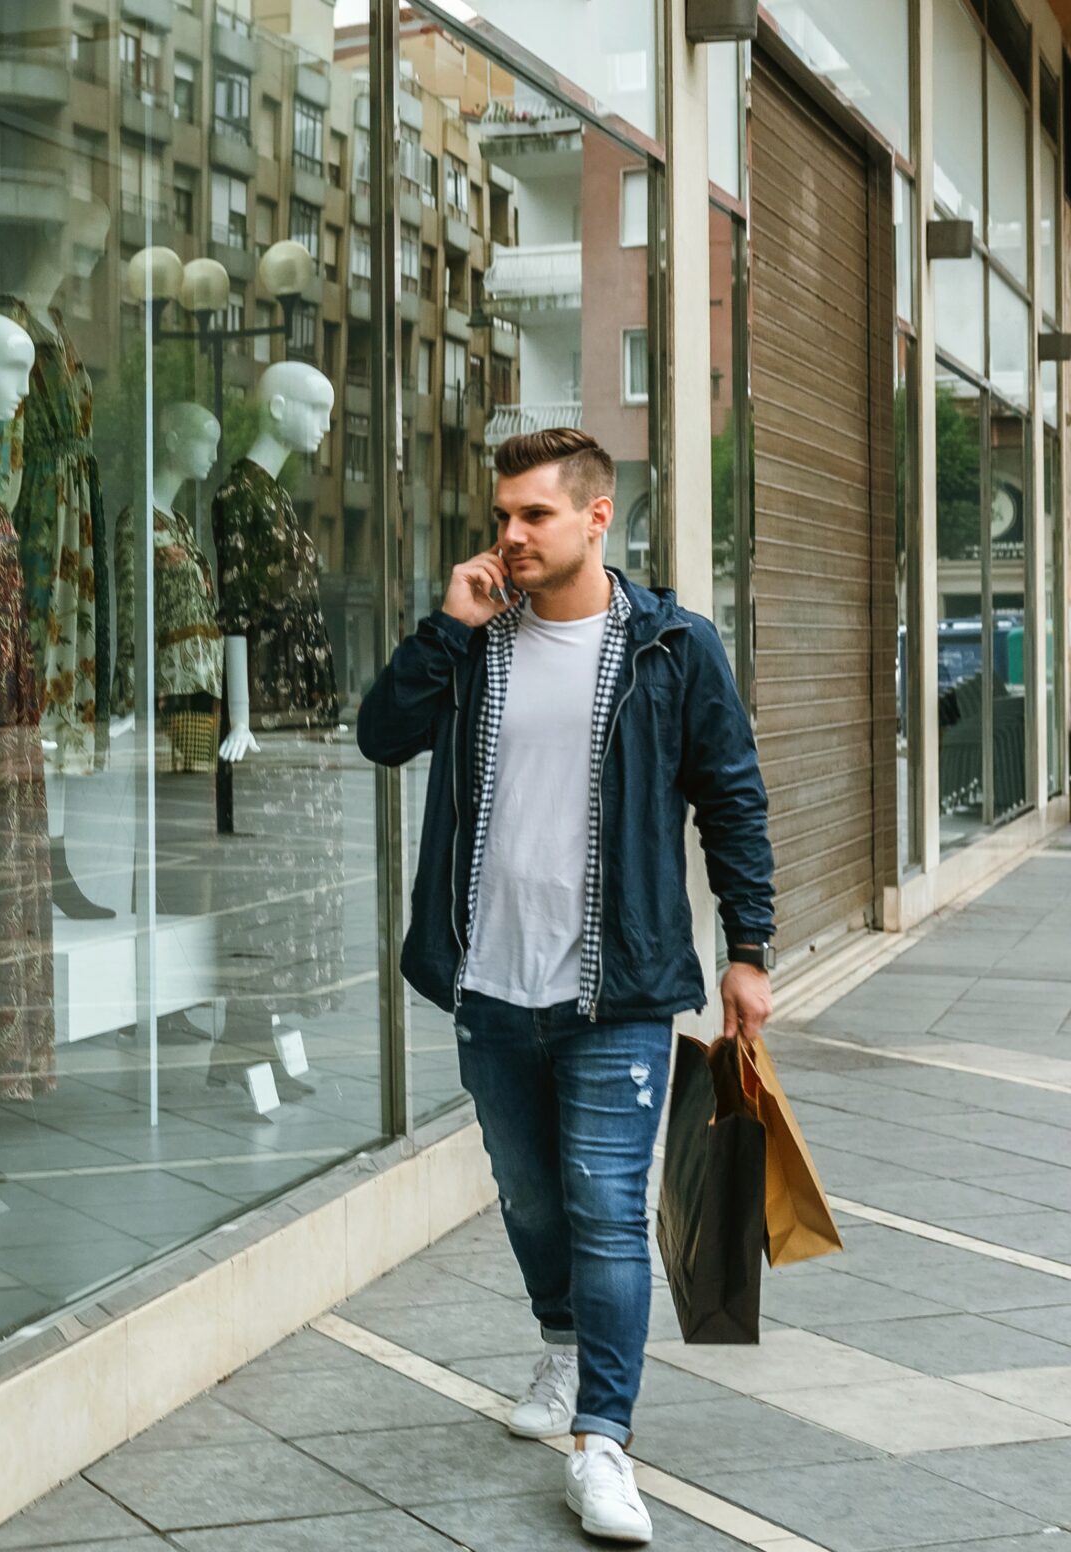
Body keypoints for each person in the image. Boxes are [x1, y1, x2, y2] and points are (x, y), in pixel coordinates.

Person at [356, 428, 775, 1546]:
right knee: (530, 1198)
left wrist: (750, 949)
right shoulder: (477, 645)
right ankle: (561, 1343)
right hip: (488, 986)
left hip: (617, 991)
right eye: (502, 514)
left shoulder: (675, 647)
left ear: (597, 517)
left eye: (533, 514)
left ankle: (603, 1440)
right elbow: (378, 737)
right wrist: (444, 628)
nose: (509, 534)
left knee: (602, 1208)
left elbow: (732, 799)